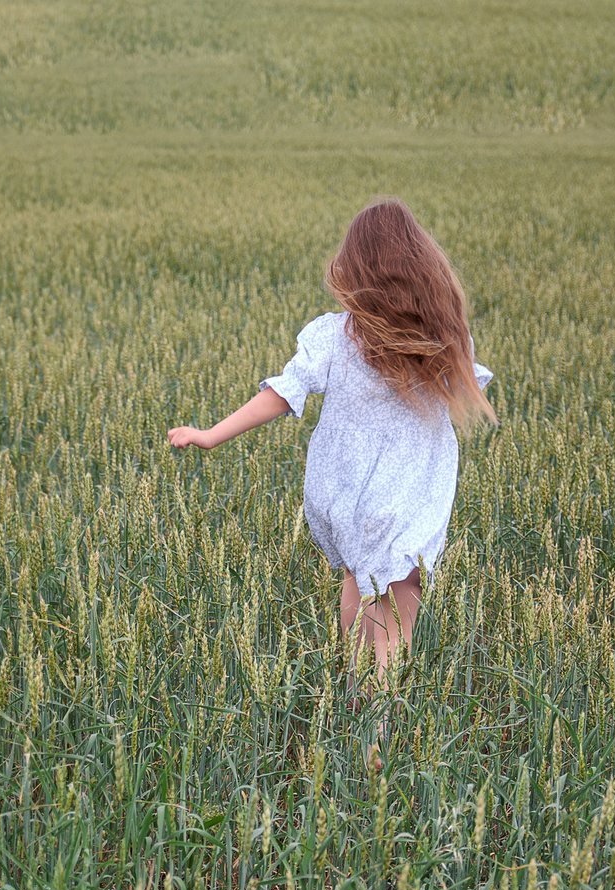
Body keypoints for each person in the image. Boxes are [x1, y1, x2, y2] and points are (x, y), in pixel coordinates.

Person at [167, 197, 495, 721]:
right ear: (423, 269)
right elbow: (462, 388)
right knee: (394, 622)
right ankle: (377, 732)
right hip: (406, 502)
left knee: (354, 584)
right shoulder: (439, 337)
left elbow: (282, 394)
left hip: (344, 497)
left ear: (356, 270)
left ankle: (345, 700)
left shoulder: (336, 337)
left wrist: (211, 435)